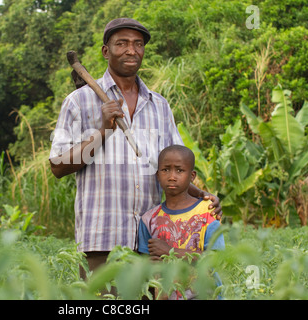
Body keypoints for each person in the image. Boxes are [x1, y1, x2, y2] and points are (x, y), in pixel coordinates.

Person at [49, 18, 222, 283]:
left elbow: (172, 167)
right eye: (122, 43)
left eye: (138, 44)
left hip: (154, 243)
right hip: (103, 240)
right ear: (106, 51)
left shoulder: (159, 106)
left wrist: (202, 196)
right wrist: (102, 131)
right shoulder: (79, 102)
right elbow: (58, 166)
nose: (131, 50)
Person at [138, 144, 225, 299]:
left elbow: (216, 260)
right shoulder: (148, 219)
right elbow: (146, 267)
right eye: (165, 170)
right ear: (158, 175)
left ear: (192, 176)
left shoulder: (207, 213)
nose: (172, 176)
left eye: (179, 170)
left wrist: (170, 252)